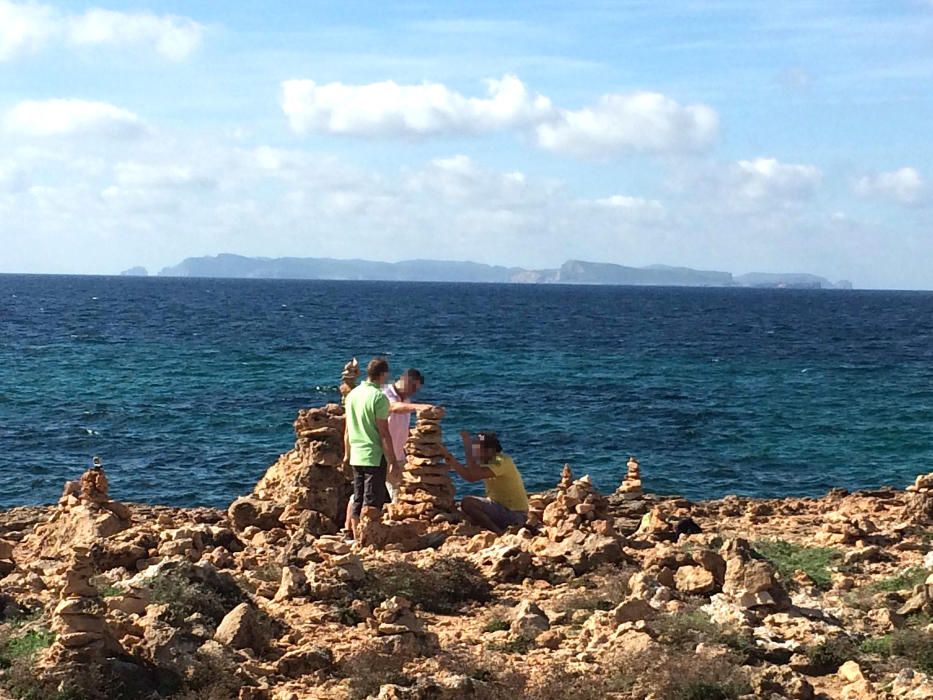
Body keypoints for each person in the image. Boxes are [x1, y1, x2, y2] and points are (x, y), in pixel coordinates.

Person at [342, 368, 432, 533]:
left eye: (416, 389)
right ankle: (353, 530)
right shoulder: (384, 394)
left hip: (398, 455)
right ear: (404, 379)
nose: (414, 391)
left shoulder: (406, 400)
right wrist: (419, 407)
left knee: (393, 492)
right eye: (413, 387)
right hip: (381, 455)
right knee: (366, 494)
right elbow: (394, 407)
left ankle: (382, 530)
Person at [342, 357, 401, 537]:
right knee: (372, 500)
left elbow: (347, 429)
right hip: (373, 455)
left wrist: (346, 454)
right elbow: (384, 432)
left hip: (356, 454)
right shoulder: (378, 397)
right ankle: (366, 537)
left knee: (358, 497)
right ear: (382, 375)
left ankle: (354, 535)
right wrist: (392, 461)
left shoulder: (352, 395)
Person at [441, 431, 529, 534]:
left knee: (468, 503)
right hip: (503, 509)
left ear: (490, 450)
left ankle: (497, 532)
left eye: (478, 449)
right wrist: (452, 462)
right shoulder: (488, 461)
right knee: (467, 512)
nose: (476, 452)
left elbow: (474, 473)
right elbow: (471, 477)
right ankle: (496, 528)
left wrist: (467, 446)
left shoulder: (501, 461)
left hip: (514, 513)